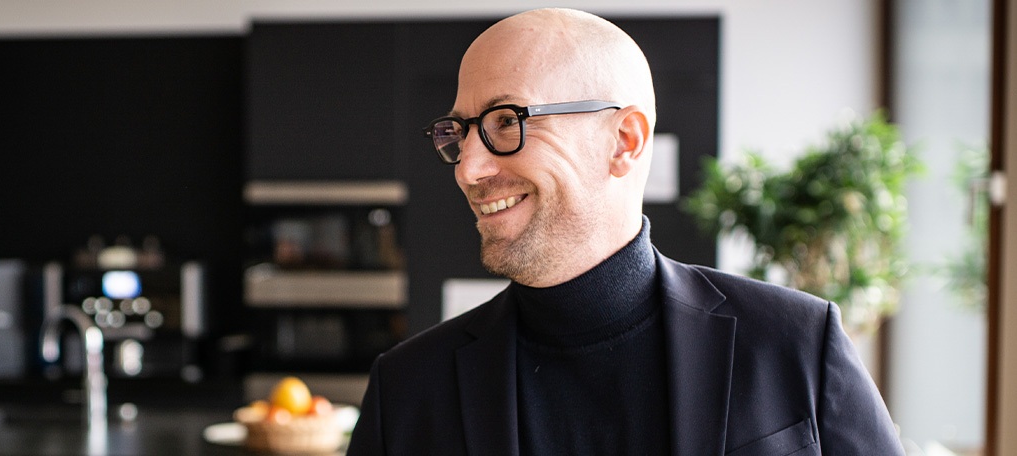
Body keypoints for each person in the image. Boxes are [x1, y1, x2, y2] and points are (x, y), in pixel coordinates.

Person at [347, 8, 903, 455]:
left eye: (506, 122)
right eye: (458, 133)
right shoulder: (408, 388)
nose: (468, 169)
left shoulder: (796, 341)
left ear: (624, 141)